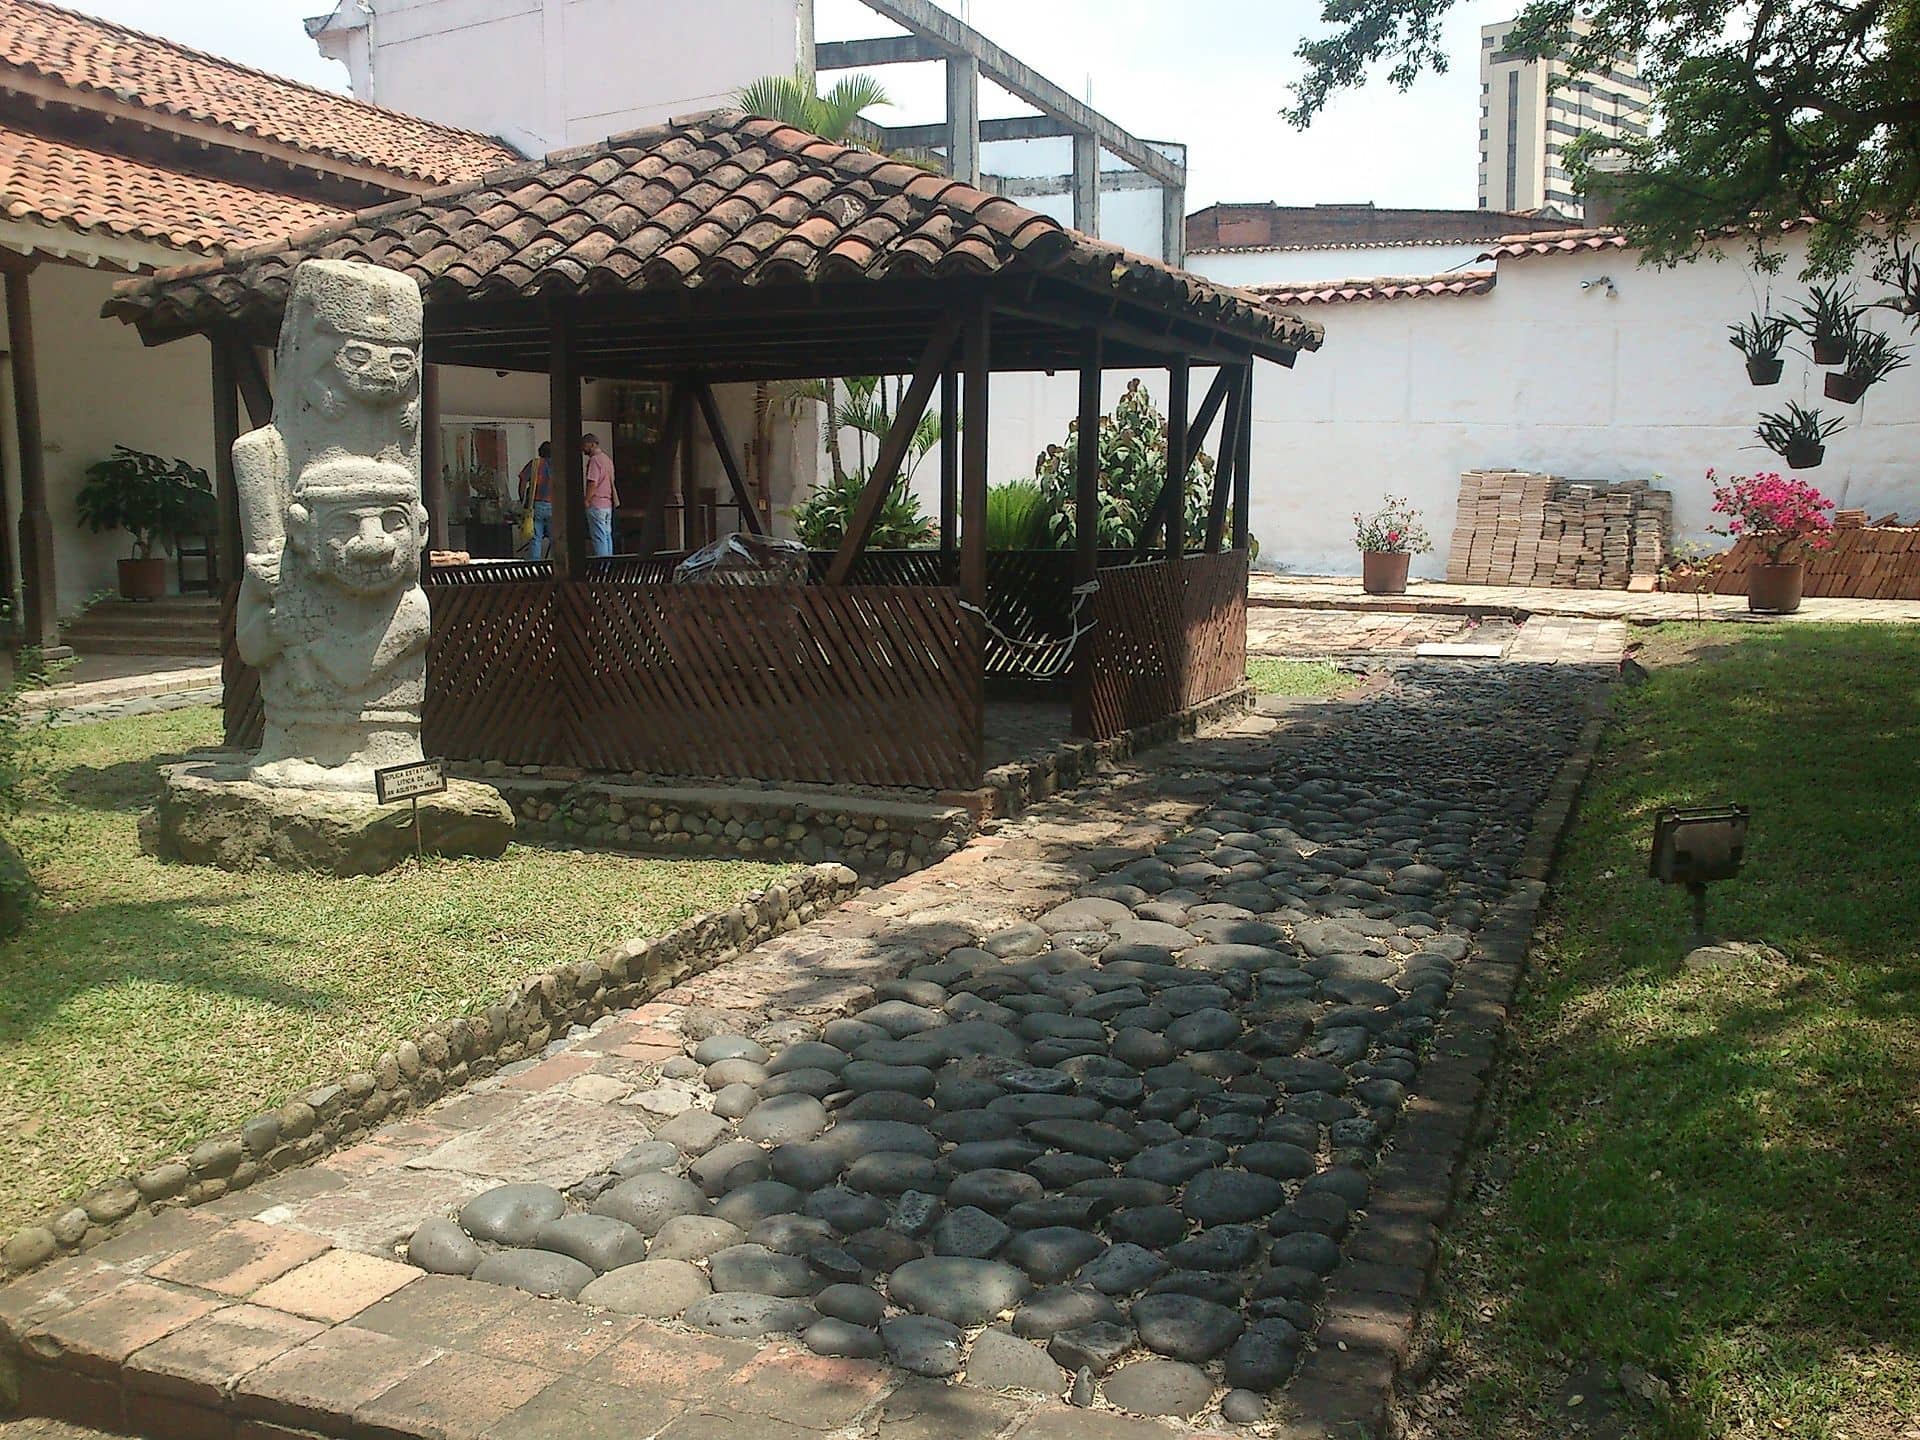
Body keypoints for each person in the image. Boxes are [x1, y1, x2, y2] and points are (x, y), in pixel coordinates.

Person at [583, 433, 619, 558]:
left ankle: (602, 565)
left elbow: (592, 482)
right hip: (607, 504)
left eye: (585, 445)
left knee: (599, 538)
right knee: (607, 536)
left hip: (596, 504)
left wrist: (587, 500)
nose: (583, 448)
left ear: (592, 444)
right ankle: (608, 564)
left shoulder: (594, 460)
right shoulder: (607, 460)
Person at [517, 441, 552, 558]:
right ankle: (557, 563)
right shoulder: (558, 465)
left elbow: (523, 481)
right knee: (556, 538)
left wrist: (523, 499)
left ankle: (535, 564)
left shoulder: (535, 464)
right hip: (554, 506)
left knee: (535, 538)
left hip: (536, 504)